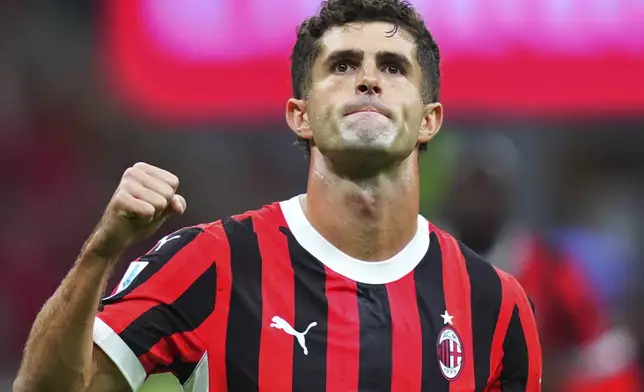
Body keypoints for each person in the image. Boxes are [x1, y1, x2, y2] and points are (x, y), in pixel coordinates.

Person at [13, 1, 542, 391]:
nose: (367, 80)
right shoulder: (212, 262)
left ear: (429, 121)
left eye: (393, 67)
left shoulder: (495, 304)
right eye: (341, 65)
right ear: (300, 114)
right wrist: (102, 251)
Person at [442, 132, 640, 392]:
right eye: (472, 185)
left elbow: (599, 347)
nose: (479, 199)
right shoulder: (425, 260)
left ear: (507, 193)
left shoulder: (544, 264)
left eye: (489, 186)